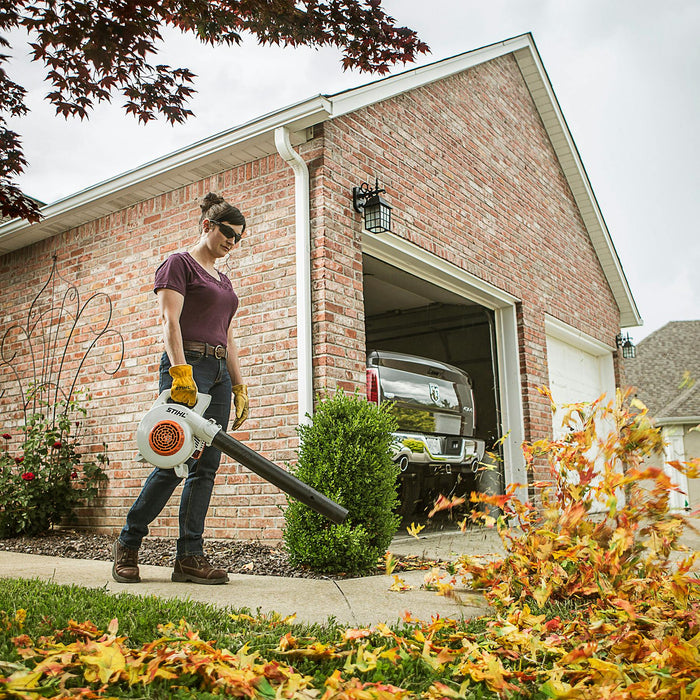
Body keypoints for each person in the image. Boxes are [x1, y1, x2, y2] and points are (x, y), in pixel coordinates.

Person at [112, 192, 249, 585]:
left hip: (219, 372)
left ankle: (189, 557)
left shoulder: (224, 282)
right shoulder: (179, 264)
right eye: (227, 233)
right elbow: (169, 322)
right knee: (173, 461)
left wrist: (239, 385)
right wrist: (181, 373)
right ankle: (128, 542)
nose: (232, 242)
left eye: (238, 237)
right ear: (207, 225)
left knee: (205, 467)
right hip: (188, 368)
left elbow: (228, 336)